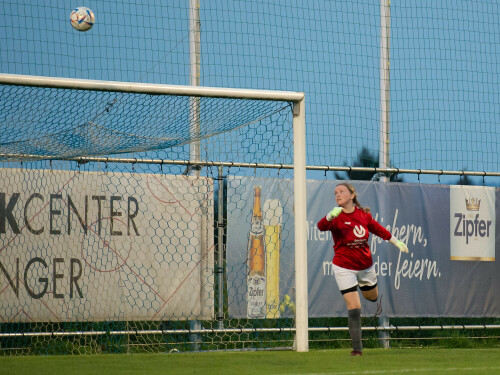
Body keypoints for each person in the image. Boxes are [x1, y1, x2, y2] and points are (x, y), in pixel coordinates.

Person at [317, 182, 408, 356]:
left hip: (365, 267)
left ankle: (363, 286)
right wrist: (329, 216)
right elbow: (321, 227)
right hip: (343, 267)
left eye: (342, 191)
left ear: (352, 195)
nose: (338, 194)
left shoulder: (363, 215)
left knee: (372, 297)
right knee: (354, 306)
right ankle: (357, 350)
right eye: (335, 192)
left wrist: (396, 242)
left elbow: (378, 229)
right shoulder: (335, 217)